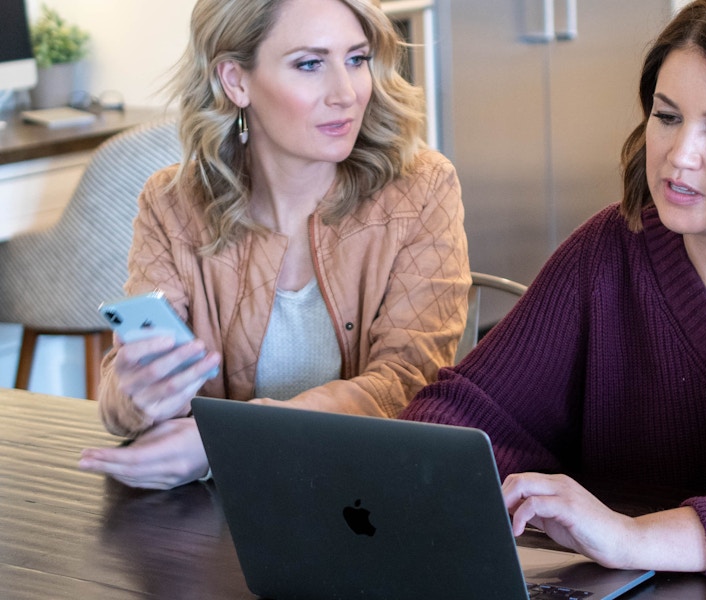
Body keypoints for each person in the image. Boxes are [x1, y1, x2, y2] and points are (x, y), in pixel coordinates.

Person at [402, 0, 706, 577]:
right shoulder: (614, 244)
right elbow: (466, 415)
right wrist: (474, 491)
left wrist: (636, 538)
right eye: (666, 117)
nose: (679, 156)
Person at [79, 0, 469, 490]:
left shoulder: (421, 188)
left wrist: (225, 443)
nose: (346, 93)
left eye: (357, 59)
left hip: (368, 503)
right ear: (235, 81)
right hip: (226, 513)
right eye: (310, 64)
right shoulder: (172, 202)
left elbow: (408, 385)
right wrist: (137, 397)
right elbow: (123, 401)